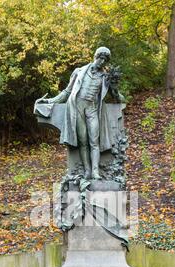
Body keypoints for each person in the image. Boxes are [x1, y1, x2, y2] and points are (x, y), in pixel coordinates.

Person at [38, 47, 124, 180]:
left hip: (92, 108)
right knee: (83, 141)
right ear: (95, 56)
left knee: (94, 141)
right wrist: (49, 100)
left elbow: (117, 97)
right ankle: (87, 171)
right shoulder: (79, 72)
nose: (102, 62)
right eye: (100, 58)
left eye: (105, 60)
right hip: (77, 107)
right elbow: (67, 92)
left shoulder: (105, 77)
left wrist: (115, 89)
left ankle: (95, 172)